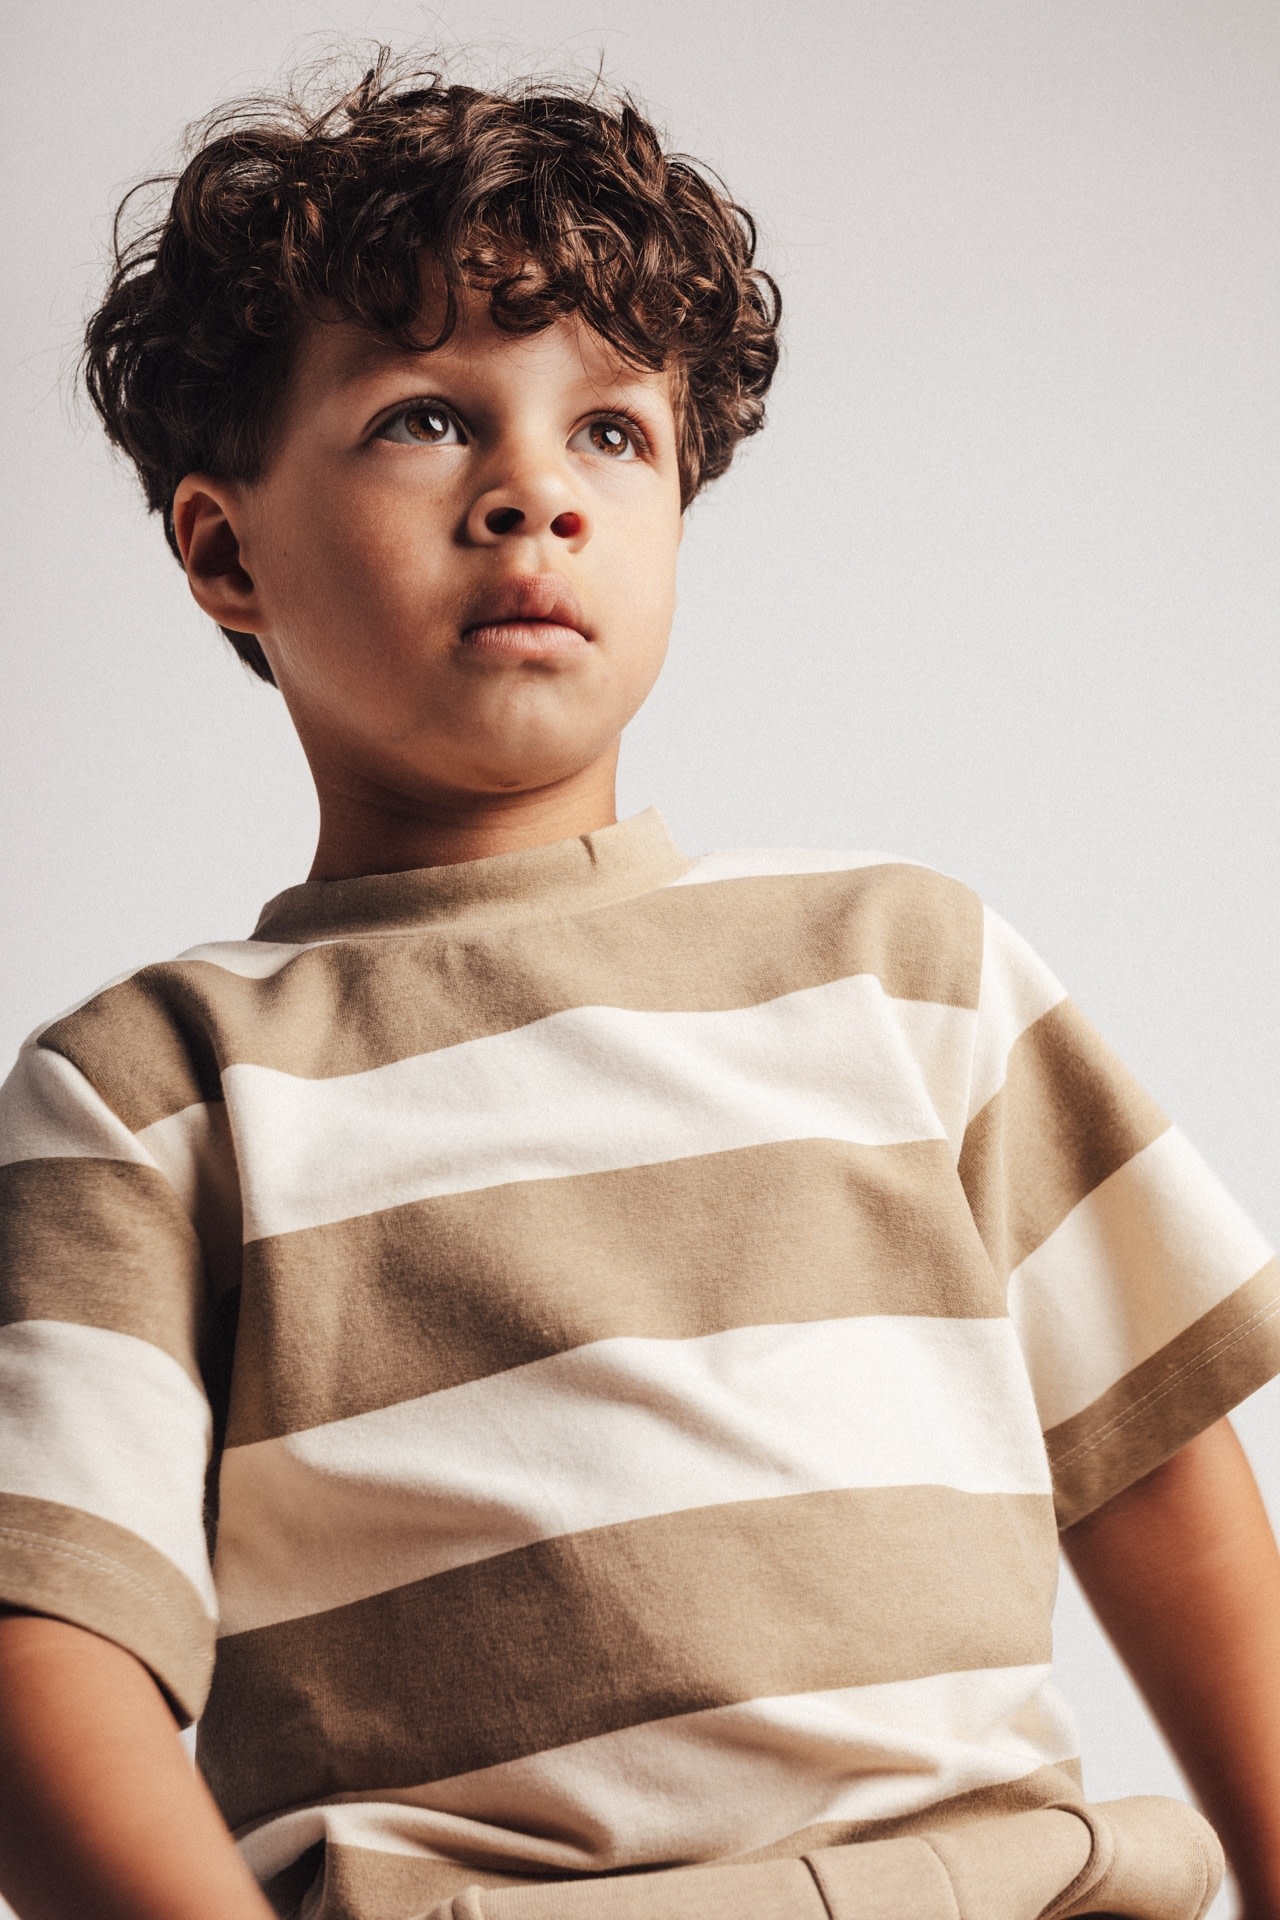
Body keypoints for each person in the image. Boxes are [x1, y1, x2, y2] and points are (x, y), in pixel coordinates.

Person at [0, 53, 1277, 1920]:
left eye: (611, 433)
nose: (533, 491)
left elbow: (1160, 1474)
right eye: (424, 418)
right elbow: (48, 1658)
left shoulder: (913, 975)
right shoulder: (151, 1088)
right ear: (223, 550)